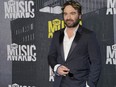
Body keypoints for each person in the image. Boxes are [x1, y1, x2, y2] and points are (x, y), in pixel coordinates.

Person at [48, 1, 101, 87]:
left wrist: (89, 84)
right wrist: (56, 67)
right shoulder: (57, 34)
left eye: (72, 13)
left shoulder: (89, 35)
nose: (68, 17)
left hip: (80, 84)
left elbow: (96, 63)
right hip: (59, 84)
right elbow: (51, 56)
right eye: (65, 14)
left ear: (80, 15)